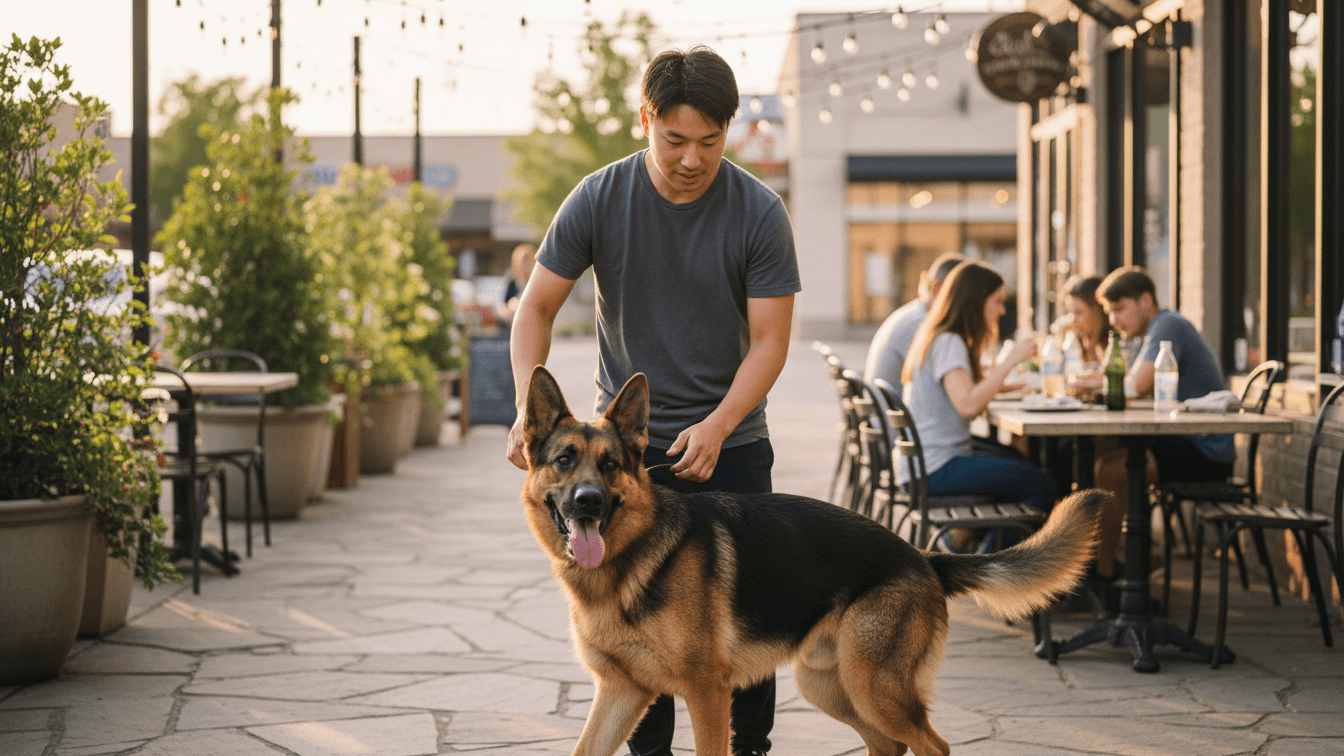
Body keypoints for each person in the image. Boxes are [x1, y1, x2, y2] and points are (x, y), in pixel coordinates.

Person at [505, 46, 799, 756]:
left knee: (737, 633)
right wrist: (526, 404)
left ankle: (749, 750)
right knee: (632, 636)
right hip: (621, 457)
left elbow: (769, 342)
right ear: (646, 120)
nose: (692, 158)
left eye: (710, 141)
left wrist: (720, 424)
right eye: (675, 140)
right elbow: (536, 307)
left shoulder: (758, 211)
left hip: (729, 448)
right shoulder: (600, 198)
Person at [1089, 266, 1233, 584]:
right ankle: (1115, 557)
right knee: (1101, 454)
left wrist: (1099, 384)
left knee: (1110, 470)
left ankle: (1106, 573)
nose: (1113, 320)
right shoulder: (1153, 331)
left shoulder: (1168, 325)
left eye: (1118, 309)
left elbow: (1135, 386)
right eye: (1109, 312)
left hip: (1205, 451)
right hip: (1183, 438)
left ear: (1145, 301)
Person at [900, 261, 1059, 547]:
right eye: (997, 301)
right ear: (976, 302)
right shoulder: (950, 341)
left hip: (924, 464)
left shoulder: (940, 335)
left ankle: (967, 543)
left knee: (1019, 464)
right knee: (1041, 484)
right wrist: (1011, 361)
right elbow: (969, 405)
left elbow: (963, 392)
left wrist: (1000, 384)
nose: (1002, 310)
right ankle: (989, 568)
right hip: (935, 468)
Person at [863, 252, 964, 391]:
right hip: (892, 410)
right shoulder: (920, 323)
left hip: (887, 408)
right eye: (963, 293)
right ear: (937, 288)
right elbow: (950, 384)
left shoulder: (915, 312)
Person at [501, 242, 536, 319]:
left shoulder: (536, 282)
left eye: (526, 262)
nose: (523, 266)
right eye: (520, 262)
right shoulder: (513, 282)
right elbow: (504, 307)